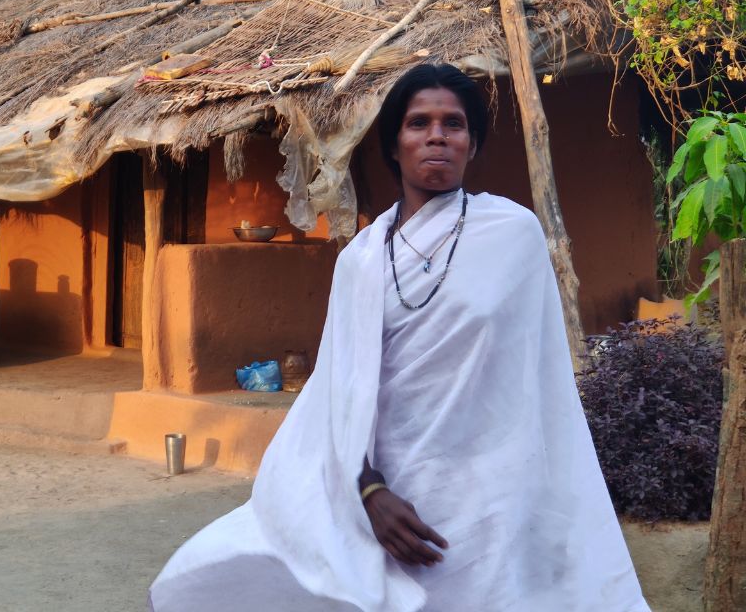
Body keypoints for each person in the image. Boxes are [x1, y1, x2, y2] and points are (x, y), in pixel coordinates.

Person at [148, 64, 650, 612]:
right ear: (393, 145)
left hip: (488, 495)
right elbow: (337, 394)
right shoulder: (361, 259)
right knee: (201, 577)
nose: (437, 135)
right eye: (419, 123)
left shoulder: (513, 236)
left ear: (472, 143)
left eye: (453, 124)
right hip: (385, 491)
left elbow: (541, 386)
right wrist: (369, 492)